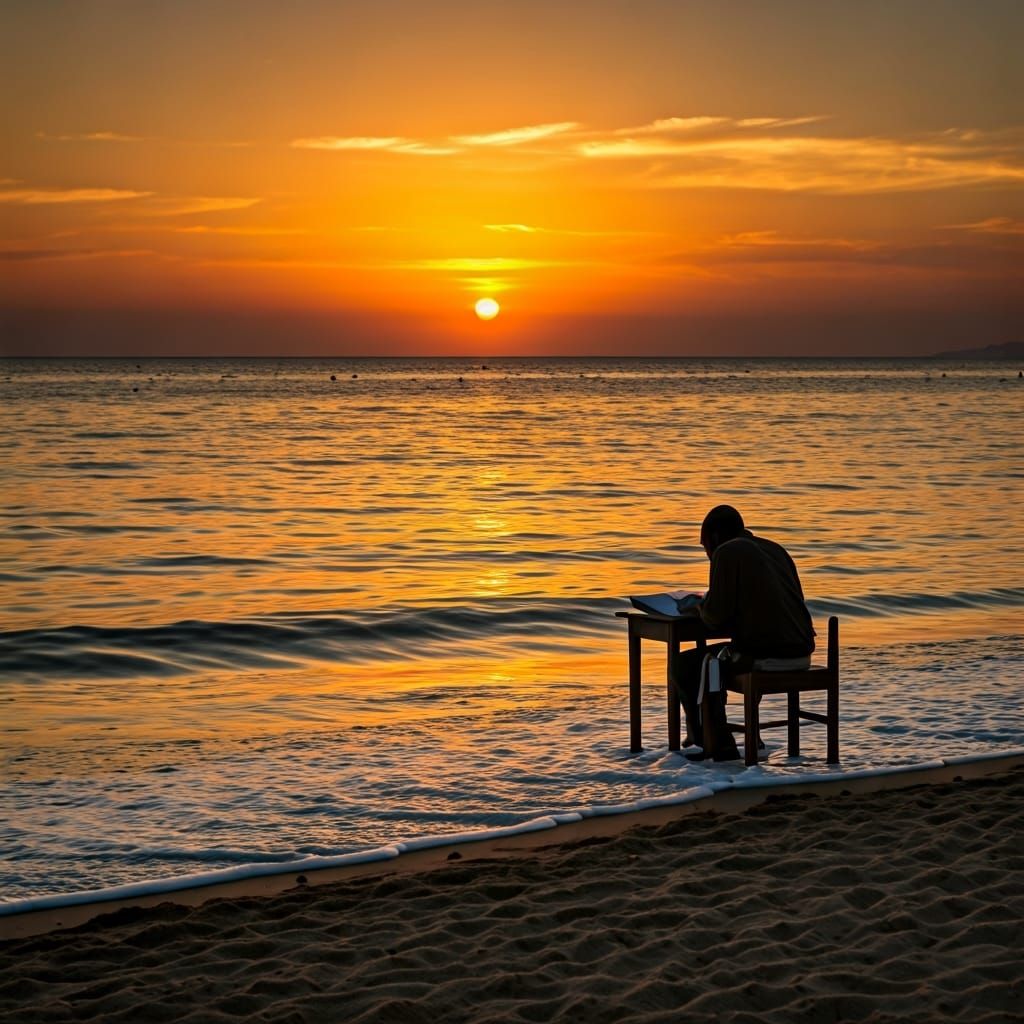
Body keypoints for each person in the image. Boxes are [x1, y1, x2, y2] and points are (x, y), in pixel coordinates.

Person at [673, 505, 815, 762]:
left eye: (705, 547)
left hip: (767, 654)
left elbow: (715, 618)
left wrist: (698, 606)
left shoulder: (726, 551)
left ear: (715, 537)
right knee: (716, 659)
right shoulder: (775, 549)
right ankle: (730, 736)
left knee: (687, 665)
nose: (707, 554)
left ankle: (715, 743)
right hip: (801, 652)